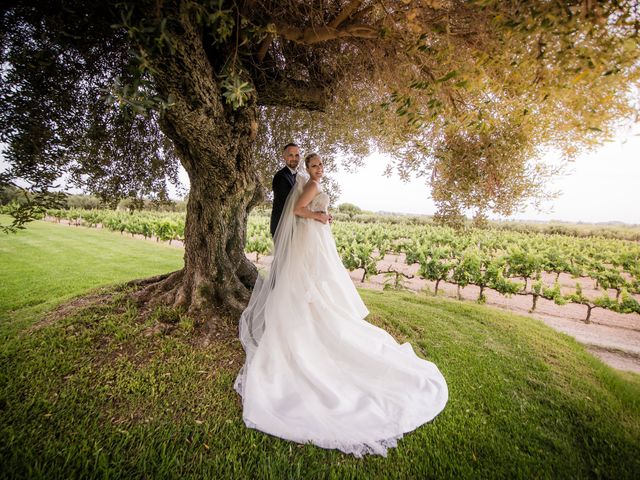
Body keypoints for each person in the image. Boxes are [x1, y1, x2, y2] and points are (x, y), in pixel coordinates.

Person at [235, 153, 448, 458]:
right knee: (313, 287)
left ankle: (314, 315)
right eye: (313, 165)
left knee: (318, 287)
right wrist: (320, 216)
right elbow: (298, 210)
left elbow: (306, 208)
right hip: (311, 238)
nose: (318, 169)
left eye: (320, 164)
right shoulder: (308, 185)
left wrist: (323, 216)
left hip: (314, 240)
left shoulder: (311, 183)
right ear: (306, 169)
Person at [270, 143, 301, 237]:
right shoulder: (280, 177)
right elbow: (291, 203)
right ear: (284, 156)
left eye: (297, 155)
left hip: (295, 227)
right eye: (290, 155)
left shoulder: (300, 177)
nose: (294, 158)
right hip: (282, 228)